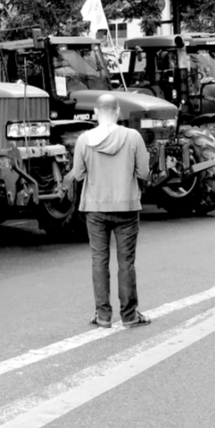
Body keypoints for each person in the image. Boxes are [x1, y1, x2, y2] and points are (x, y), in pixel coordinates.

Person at [64, 94, 151, 328]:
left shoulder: (84, 139)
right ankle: (130, 315)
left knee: (99, 260)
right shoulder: (133, 137)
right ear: (118, 110)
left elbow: (79, 175)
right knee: (126, 263)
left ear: (95, 112)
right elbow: (143, 173)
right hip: (126, 207)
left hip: (95, 208)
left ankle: (103, 316)